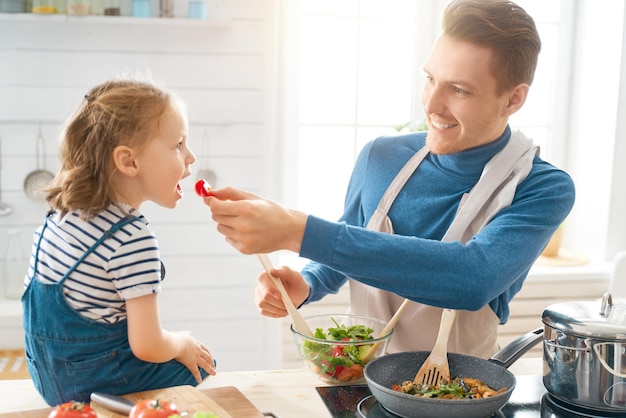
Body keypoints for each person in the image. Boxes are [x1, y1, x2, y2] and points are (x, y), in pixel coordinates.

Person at [203, 0, 575, 359]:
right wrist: (309, 282)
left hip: (458, 397)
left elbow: (471, 278)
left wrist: (298, 233)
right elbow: (349, 242)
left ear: (513, 100)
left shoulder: (541, 188)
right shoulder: (380, 157)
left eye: (459, 89)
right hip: (355, 381)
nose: (431, 105)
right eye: (430, 79)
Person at [22, 79, 216, 406]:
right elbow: (149, 345)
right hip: (91, 384)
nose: (191, 157)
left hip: (46, 375)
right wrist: (181, 344)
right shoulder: (132, 237)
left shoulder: (63, 211)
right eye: (178, 145)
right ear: (128, 161)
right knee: (197, 367)